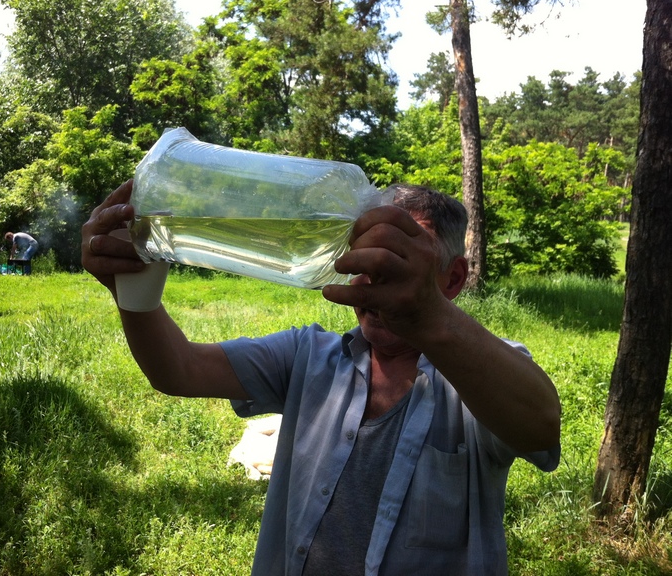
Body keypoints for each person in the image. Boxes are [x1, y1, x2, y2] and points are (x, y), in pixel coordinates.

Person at [81, 180, 562, 575]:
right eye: (365, 256)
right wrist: (133, 286)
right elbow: (178, 369)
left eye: (399, 265)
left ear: (452, 280)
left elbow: (540, 427)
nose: (371, 280)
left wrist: (429, 316)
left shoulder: (479, 374)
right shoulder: (309, 356)